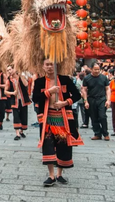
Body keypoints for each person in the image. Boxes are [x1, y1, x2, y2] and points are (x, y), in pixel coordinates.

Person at [32, 59, 83, 187]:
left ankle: (59, 173)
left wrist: (64, 103)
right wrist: (48, 92)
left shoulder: (65, 79)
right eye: (47, 64)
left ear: (56, 66)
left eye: (52, 64)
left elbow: (77, 95)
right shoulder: (39, 82)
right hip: (47, 117)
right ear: (43, 67)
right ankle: (51, 175)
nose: (50, 67)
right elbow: (35, 98)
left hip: (63, 117)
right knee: (48, 144)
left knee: (63, 144)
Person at [82, 64, 111, 140]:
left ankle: (105, 133)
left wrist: (108, 100)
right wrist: (85, 101)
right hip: (91, 99)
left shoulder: (104, 78)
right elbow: (84, 90)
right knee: (94, 117)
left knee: (102, 116)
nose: (97, 71)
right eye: (95, 69)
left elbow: (107, 89)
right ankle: (97, 133)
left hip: (102, 99)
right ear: (91, 69)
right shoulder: (87, 78)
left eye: (98, 69)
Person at [4, 65, 31, 141]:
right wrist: (13, 93)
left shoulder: (21, 77)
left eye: (10, 69)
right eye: (7, 70)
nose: (9, 71)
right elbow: (5, 91)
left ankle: (21, 131)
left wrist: (20, 76)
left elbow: (26, 84)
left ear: (14, 69)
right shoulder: (9, 80)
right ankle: (17, 134)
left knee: (23, 116)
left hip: (23, 101)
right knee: (16, 116)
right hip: (14, 101)